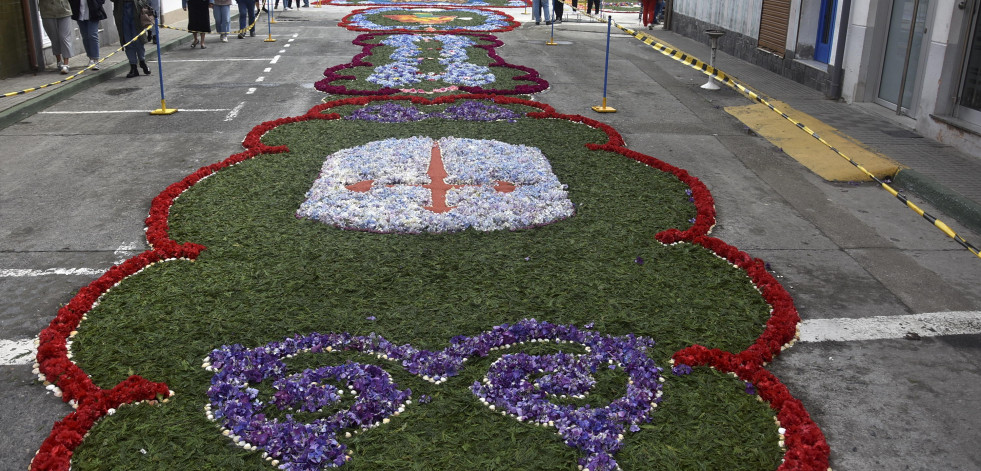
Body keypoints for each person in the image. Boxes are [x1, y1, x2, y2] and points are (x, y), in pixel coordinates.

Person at [111, 0, 150, 77]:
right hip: (121, 10)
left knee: (139, 40)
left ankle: (142, 62)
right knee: (127, 41)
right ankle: (133, 67)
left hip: (136, 9)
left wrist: (141, 3)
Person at [69, 0, 107, 70]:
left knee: (92, 35)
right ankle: (91, 58)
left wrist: (97, 4)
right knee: (85, 36)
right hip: (80, 13)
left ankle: (96, 60)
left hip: (93, 12)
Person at [40, 0, 74, 74]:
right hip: (47, 11)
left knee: (64, 37)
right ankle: (59, 61)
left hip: (64, 10)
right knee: (54, 37)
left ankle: (66, 64)